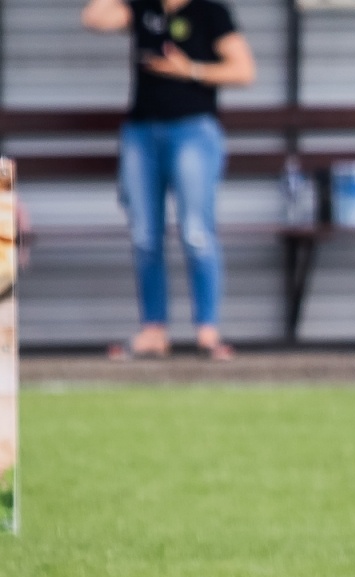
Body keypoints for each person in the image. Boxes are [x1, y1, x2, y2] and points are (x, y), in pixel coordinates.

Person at [82, 0, 256, 360]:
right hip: (142, 134)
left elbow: (243, 70)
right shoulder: (142, 7)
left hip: (193, 131)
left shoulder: (210, 12)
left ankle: (208, 332)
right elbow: (94, 17)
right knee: (145, 236)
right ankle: (153, 331)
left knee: (196, 232)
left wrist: (189, 69)